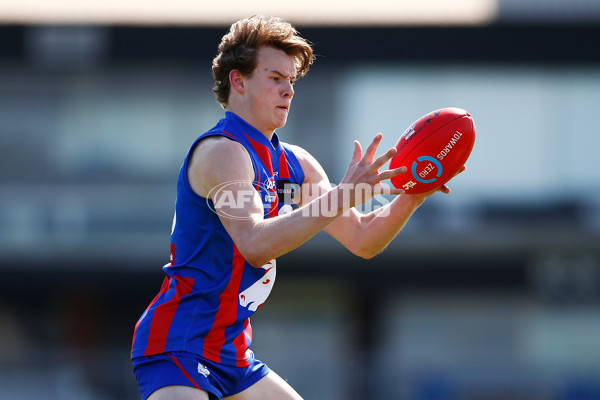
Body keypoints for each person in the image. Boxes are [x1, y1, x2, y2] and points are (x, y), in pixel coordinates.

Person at [131, 15, 464, 400]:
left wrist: (414, 192)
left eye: (291, 81)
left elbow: (364, 239)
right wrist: (343, 194)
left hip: (232, 354)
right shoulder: (223, 152)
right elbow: (254, 243)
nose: (288, 90)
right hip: (179, 345)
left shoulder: (297, 166)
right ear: (237, 81)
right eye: (275, 78)